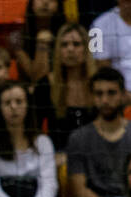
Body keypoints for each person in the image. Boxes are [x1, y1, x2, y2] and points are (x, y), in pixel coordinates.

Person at [66, 67, 131, 197]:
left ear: (123, 95)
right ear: (92, 97)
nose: (105, 100)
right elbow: (79, 191)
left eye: (111, 93)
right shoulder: (78, 138)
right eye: (99, 94)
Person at [34, 21, 98, 154]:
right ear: (58, 50)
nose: (70, 49)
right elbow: (34, 130)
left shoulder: (98, 84)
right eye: (64, 45)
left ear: (86, 48)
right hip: (58, 160)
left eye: (76, 44)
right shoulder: (46, 85)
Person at [13, 0, 67, 84]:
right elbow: (37, 79)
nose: (45, 2)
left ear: (58, 6)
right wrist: (42, 43)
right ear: (31, 4)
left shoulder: (67, 35)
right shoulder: (17, 37)